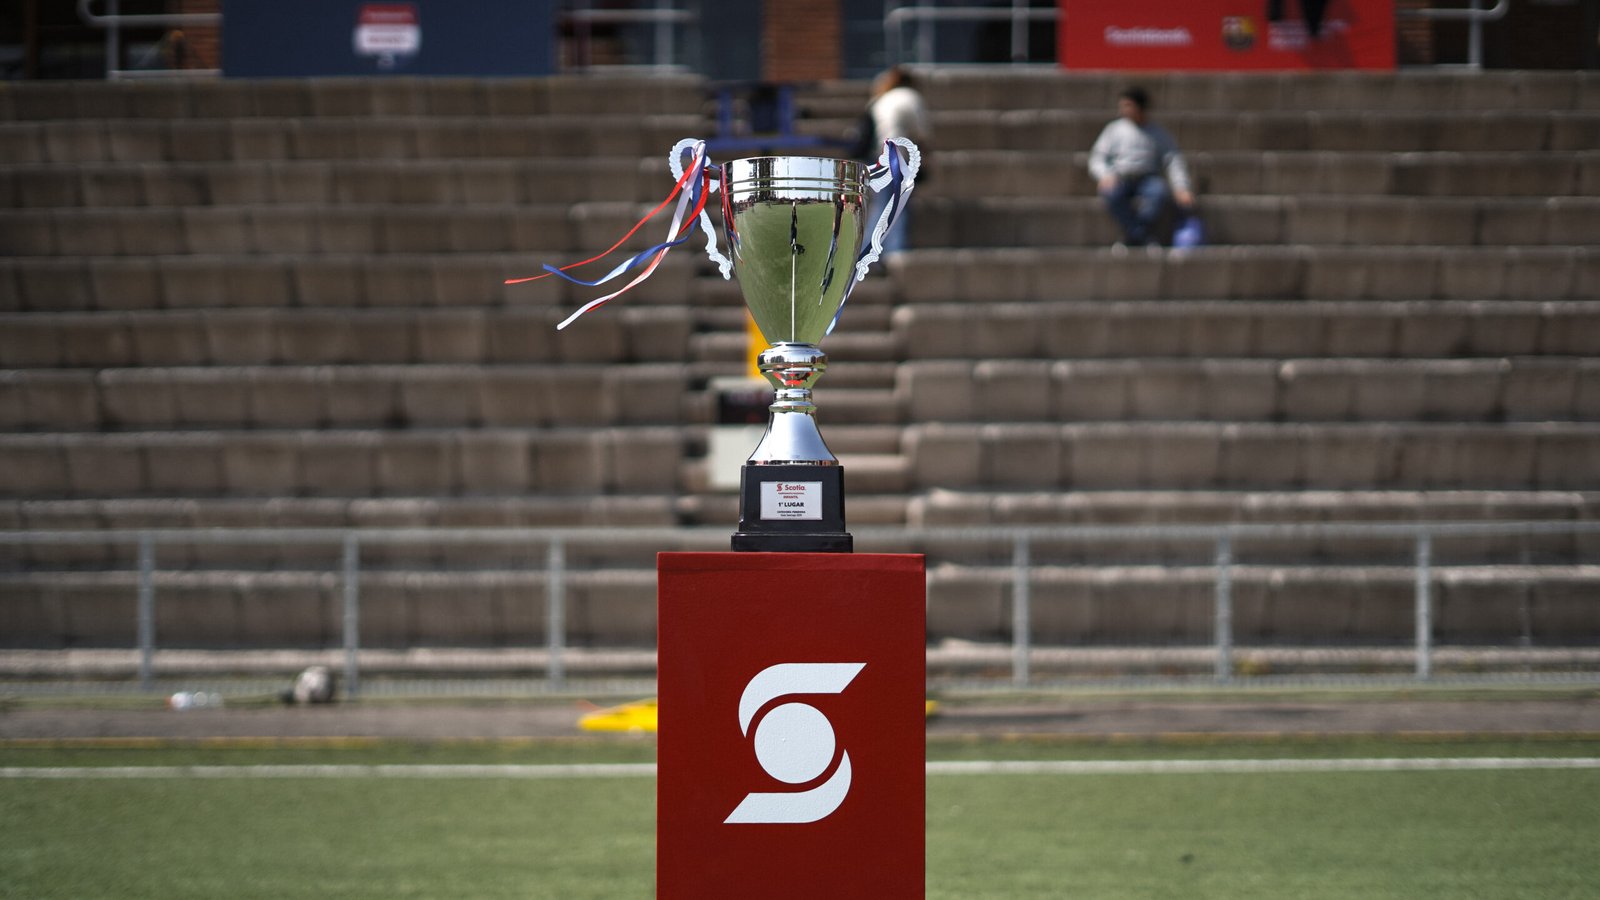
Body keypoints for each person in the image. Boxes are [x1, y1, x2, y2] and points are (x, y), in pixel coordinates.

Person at [1088, 86, 1194, 249]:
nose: (1123, 110)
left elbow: (1173, 160)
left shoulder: (1158, 133)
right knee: (1112, 195)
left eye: (1128, 105)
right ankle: (1141, 236)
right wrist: (1105, 175)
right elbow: (1098, 157)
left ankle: (1132, 237)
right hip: (1120, 178)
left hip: (1147, 178)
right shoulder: (1114, 130)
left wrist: (1181, 187)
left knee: (1159, 193)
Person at [853, 65, 930, 256]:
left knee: (882, 206)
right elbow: (922, 133)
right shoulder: (910, 97)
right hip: (895, 156)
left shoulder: (881, 98)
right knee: (897, 206)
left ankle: (867, 252)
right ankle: (895, 251)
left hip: (876, 156)